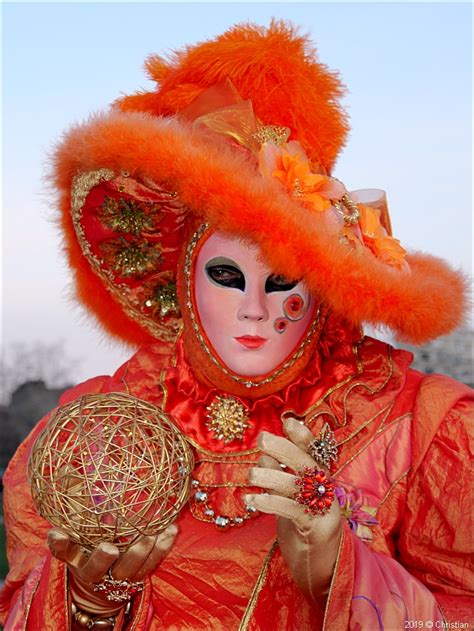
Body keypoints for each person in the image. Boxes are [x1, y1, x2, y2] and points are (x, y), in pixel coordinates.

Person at [1, 21, 472, 631]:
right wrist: (88, 604)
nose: (254, 306)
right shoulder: (98, 431)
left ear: (324, 285)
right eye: (226, 274)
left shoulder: (422, 430)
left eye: (282, 280)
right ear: (183, 279)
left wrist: (343, 577)